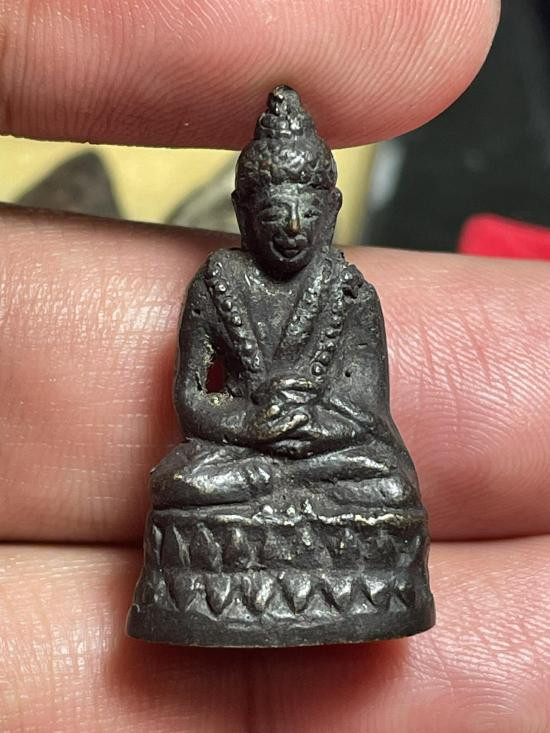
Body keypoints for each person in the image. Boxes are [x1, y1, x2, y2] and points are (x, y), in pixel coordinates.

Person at [2, 0, 550, 730]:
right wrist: (251, 425)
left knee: (387, 486)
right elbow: (192, 399)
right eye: (272, 213)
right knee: (183, 481)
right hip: (241, 451)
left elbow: (369, 407)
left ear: (331, 208)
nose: (290, 228)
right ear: (242, 211)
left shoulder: (349, 291)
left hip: (332, 455)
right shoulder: (218, 283)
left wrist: (315, 427)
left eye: (305, 212)